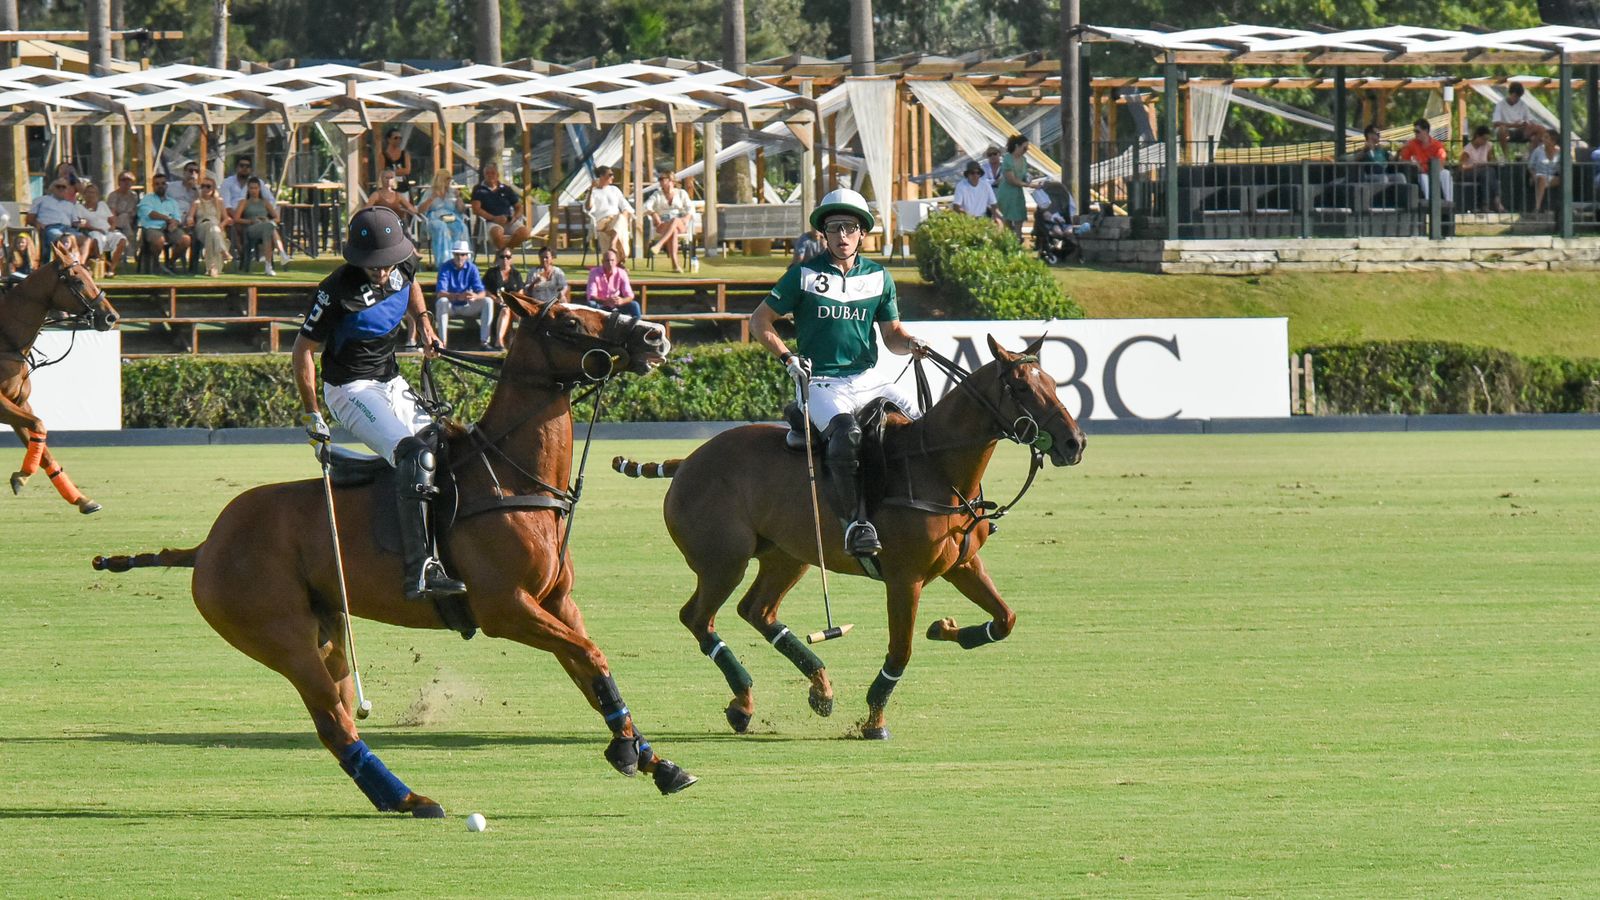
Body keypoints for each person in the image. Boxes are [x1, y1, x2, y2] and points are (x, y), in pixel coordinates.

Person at [291, 206, 465, 604]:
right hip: (350, 390)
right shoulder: (333, 291)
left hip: (391, 380)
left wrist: (424, 324)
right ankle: (420, 570)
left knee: (443, 446)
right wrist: (312, 414)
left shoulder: (404, 261)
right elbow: (302, 351)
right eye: (374, 266)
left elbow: (413, 285)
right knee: (415, 457)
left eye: (387, 263)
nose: (383, 272)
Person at [748, 187, 929, 558]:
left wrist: (911, 343)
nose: (842, 236)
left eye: (849, 227)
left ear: (863, 232)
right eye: (834, 228)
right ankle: (855, 523)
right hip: (820, 382)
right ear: (824, 234)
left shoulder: (879, 277)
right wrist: (787, 357)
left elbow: (892, 335)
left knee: (924, 426)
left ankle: (945, 511)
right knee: (846, 434)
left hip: (867, 379)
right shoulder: (803, 275)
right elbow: (759, 320)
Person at [433, 240, 494, 349]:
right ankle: (443, 343)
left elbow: (482, 292)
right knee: (442, 302)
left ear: (467, 256)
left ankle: (484, 342)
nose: (460, 257)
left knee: (488, 301)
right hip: (450, 306)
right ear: (453, 255)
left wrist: (475, 296)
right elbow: (440, 293)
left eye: (463, 254)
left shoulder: (472, 268)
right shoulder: (445, 267)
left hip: (467, 305)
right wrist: (457, 296)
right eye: (457, 254)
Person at [28, 177, 94, 261]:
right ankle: (63, 265)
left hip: (68, 229)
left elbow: (75, 223)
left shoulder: (70, 205)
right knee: (63, 239)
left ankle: (79, 265)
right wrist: (37, 223)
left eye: (64, 187)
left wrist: (81, 222)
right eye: (58, 186)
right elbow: (29, 218)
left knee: (86, 240)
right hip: (51, 228)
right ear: (52, 188)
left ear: (67, 189)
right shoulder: (41, 200)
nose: (61, 189)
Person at [135, 172, 190, 272]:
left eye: (163, 183)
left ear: (166, 185)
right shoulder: (147, 199)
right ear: (153, 186)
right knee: (159, 240)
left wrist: (174, 223)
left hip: (169, 229)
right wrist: (167, 219)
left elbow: (177, 217)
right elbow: (151, 214)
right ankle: (156, 263)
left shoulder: (172, 202)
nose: (160, 186)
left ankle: (170, 262)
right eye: (157, 184)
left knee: (186, 240)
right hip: (152, 228)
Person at [471, 162, 531, 251]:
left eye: (492, 173)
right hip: (490, 222)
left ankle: (503, 254)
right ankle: (505, 256)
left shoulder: (506, 189)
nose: (490, 175)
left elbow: (518, 206)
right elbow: (476, 209)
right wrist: (494, 218)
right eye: (487, 173)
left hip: (508, 221)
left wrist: (515, 217)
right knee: (497, 232)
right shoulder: (478, 189)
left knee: (524, 232)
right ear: (484, 175)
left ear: (497, 175)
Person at [418, 170, 470, 269]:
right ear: (440, 179)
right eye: (447, 178)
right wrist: (431, 199)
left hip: (451, 218)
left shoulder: (452, 192)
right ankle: (444, 262)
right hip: (434, 219)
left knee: (462, 227)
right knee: (441, 228)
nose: (450, 181)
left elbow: (461, 210)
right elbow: (420, 210)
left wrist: (458, 198)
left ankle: (463, 261)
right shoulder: (430, 192)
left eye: (450, 178)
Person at [644, 170, 691, 272]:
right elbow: (646, 206)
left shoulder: (681, 193)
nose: (659, 181)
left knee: (674, 220)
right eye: (659, 179)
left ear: (671, 180)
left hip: (680, 222)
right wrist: (653, 213)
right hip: (663, 223)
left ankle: (660, 244)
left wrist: (686, 218)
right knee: (672, 231)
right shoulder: (657, 194)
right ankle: (675, 265)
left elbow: (690, 209)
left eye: (662, 179)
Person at [76, 182, 127, 277]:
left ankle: (111, 269)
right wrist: (96, 229)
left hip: (108, 231)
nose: (91, 195)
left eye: (93, 192)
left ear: (97, 195)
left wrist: (112, 227)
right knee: (95, 238)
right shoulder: (79, 207)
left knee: (122, 239)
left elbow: (112, 219)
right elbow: (82, 224)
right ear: (84, 194)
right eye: (88, 192)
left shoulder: (102, 205)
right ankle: (100, 266)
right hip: (92, 231)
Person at [233, 176, 281, 276]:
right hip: (251, 229)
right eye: (251, 188)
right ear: (248, 189)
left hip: (265, 227)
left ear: (259, 189)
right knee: (269, 227)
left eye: (255, 188)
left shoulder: (265, 202)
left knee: (268, 228)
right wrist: (250, 221)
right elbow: (236, 218)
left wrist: (268, 220)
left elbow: (277, 218)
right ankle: (281, 252)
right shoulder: (244, 202)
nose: (253, 191)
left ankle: (268, 266)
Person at [185, 177, 233, 277]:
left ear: (213, 188)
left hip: (216, 228)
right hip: (202, 226)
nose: (205, 189)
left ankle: (212, 268)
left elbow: (227, 219)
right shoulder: (197, 202)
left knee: (212, 233)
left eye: (208, 186)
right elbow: (190, 216)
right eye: (203, 186)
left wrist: (222, 225)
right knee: (211, 227)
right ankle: (223, 250)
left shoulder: (219, 201)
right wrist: (190, 220)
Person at [586, 166, 635, 259]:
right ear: (601, 176)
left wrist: (623, 217)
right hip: (602, 221)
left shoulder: (614, 190)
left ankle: (613, 245)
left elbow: (625, 206)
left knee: (620, 220)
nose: (613, 177)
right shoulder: (594, 192)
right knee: (620, 226)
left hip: (616, 219)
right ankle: (621, 260)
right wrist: (591, 189)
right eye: (610, 175)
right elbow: (588, 207)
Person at [1399, 119, 1453, 204]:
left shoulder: (1437, 145)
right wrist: (1413, 164)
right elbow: (1403, 160)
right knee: (1423, 177)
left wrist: (1427, 169)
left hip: (1434, 171)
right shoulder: (1411, 144)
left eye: (1417, 131)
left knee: (1445, 173)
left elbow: (1440, 163)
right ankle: (1428, 203)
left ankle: (1449, 202)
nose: (1415, 134)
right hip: (1420, 173)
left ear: (1426, 131)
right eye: (1414, 131)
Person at [995, 134, 1036, 240]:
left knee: (1019, 219)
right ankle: (1008, 241)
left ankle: (1018, 239)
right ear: (1017, 146)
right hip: (1007, 193)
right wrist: (1028, 185)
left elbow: (1023, 177)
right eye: (1024, 147)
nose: (1026, 150)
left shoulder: (1024, 160)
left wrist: (1028, 179)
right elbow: (1011, 180)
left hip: (1018, 193)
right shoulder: (1008, 159)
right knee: (1007, 219)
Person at [482, 247, 524, 349]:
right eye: (502, 257)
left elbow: (520, 293)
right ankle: (498, 341)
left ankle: (525, 344)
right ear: (498, 258)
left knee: (522, 316)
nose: (505, 259)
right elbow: (483, 290)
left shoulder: (516, 274)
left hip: (513, 305)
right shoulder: (491, 273)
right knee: (505, 311)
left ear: (511, 259)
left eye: (508, 257)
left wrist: (511, 301)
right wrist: (495, 298)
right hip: (496, 305)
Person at [1459, 125, 1505, 214]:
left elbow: (1490, 159)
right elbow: (1461, 167)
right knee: (1489, 173)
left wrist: (1496, 161)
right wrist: (1475, 165)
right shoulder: (1468, 149)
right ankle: (1496, 202)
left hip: (1485, 172)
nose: (1485, 142)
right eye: (1483, 139)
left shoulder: (1488, 146)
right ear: (1477, 137)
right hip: (1469, 172)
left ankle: (1487, 204)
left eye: (1487, 139)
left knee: (1489, 173)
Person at [1493, 82, 1543, 160]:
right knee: (1501, 129)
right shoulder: (1500, 104)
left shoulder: (1523, 104)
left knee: (1540, 129)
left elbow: (1529, 119)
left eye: (1518, 97)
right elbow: (1495, 123)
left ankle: (1530, 154)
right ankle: (1506, 156)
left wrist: (1527, 124)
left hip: (1520, 131)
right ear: (1510, 93)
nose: (1516, 99)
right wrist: (1513, 125)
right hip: (1507, 132)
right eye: (1515, 96)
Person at [583, 249, 640, 318]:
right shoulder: (594, 272)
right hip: (601, 305)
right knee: (591, 304)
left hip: (617, 305)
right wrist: (605, 301)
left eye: (612, 260)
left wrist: (622, 301)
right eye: (607, 260)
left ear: (616, 262)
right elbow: (591, 295)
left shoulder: (622, 273)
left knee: (634, 305)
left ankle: (637, 326)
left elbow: (630, 295)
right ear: (602, 262)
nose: (610, 263)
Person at [106, 171, 141, 255]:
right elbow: (112, 212)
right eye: (124, 180)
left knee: (126, 217)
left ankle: (130, 248)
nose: (127, 182)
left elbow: (135, 210)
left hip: (131, 222)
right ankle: (130, 249)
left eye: (129, 180)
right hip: (116, 222)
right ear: (119, 182)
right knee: (124, 216)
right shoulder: (113, 195)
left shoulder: (134, 196)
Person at [1529, 130, 1564, 214]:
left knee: (1564, 180)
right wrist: (1533, 175)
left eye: (1546, 137)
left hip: (1552, 176)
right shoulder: (1538, 150)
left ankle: (1566, 207)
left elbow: (1562, 167)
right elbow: (1530, 166)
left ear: (1553, 141)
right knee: (1541, 178)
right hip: (1539, 175)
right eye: (1543, 137)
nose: (1542, 139)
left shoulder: (1560, 152)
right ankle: (1537, 208)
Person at [378, 129, 413, 193]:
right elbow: (382, 172)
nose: (398, 140)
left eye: (400, 138)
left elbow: (407, 170)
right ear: (389, 139)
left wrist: (390, 172)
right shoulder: (383, 155)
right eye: (395, 138)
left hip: (403, 189)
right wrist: (400, 171)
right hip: (388, 190)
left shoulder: (404, 154)